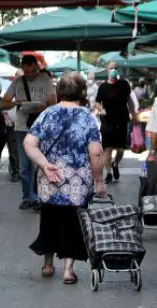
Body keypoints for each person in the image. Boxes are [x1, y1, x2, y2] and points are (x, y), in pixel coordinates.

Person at [24, 72, 105, 284]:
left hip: (50, 179)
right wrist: (99, 180)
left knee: (49, 219)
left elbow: (29, 144)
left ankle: (48, 265)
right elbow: (95, 153)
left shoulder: (47, 114)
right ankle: (68, 270)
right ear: (82, 92)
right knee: (73, 223)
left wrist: (44, 164)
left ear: (59, 91)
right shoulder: (87, 117)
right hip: (78, 183)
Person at [2, 55, 57, 211]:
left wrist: (41, 107)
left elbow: (53, 102)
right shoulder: (17, 82)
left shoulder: (46, 81)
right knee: (25, 166)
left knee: (42, 163)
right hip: (21, 127)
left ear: (36, 67)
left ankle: (42, 197)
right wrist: (17, 103)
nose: (29, 74)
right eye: (26, 71)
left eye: (31, 71)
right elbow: (3, 103)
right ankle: (28, 197)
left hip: (42, 128)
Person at [95, 61, 136, 184]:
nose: (114, 70)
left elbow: (129, 100)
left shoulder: (124, 84)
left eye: (116, 68)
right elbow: (97, 102)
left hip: (121, 120)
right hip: (107, 121)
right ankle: (108, 173)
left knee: (121, 149)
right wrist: (101, 109)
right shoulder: (102, 87)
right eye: (111, 68)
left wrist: (134, 114)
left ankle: (115, 163)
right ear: (107, 70)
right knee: (107, 149)